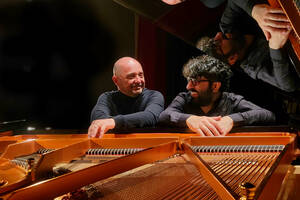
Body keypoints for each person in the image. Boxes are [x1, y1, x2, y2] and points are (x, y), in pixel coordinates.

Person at [159, 55, 275, 136]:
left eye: (195, 81)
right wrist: (190, 119)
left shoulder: (232, 100)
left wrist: (231, 120)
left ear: (215, 86)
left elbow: (267, 115)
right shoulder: (184, 98)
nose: (188, 86)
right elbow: (164, 116)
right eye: (189, 80)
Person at [197, 0, 299, 92]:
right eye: (217, 44)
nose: (218, 35)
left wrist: (254, 10)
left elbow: (233, 2)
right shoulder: (253, 67)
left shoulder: (227, 26)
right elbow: (288, 86)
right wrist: (275, 47)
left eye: (213, 38)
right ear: (232, 59)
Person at [88, 57, 164, 138]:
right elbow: (99, 121)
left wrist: (114, 122)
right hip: (114, 147)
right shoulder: (106, 98)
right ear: (116, 81)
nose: (138, 80)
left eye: (141, 75)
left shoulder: (154, 96)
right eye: (131, 77)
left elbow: (150, 116)